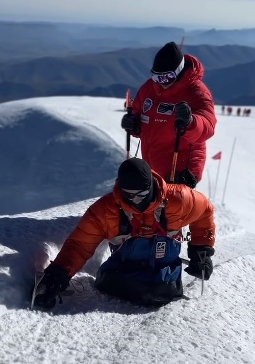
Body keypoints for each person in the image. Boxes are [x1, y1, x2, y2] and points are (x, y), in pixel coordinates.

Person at [33, 158, 215, 309]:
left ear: (151, 186)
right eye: (130, 195)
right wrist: (59, 274)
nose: (136, 201)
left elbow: (205, 211)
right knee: (113, 283)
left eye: (142, 194)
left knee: (159, 288)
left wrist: (201, 251)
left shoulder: (179, 199)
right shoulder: (106, 210)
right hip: (124, 268)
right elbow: (80, 244)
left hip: (164, 272)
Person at [121, 42, 217, 188]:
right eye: (157, 77)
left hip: (180, 169)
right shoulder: (149, 88)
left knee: (173, 209)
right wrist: (133, 124)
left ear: (178, 72)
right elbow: (139, 113)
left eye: (167, 78)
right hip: (152, 165)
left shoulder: (196, 91)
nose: (161, 82)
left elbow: (208, 126)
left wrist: (191, 121)